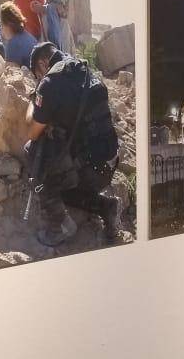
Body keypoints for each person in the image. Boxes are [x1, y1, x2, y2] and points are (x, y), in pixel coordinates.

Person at [24, 42, 121, 247]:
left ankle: (59, 226)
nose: (39, 79)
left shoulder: (51, 82)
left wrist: (33, 101)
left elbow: (32, 131)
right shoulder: (84, 70)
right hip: (108, 165)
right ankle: (107, 207)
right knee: (63, 188)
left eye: (37, 75)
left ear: (43, 64)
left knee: (34, 151)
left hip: (87, 168)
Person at [0, 0, 37, 66]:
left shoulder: (13, 44)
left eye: (1, 23)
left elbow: (11, 73)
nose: (1, 27)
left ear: (8, 24)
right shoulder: (28, 36)